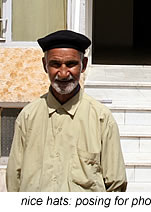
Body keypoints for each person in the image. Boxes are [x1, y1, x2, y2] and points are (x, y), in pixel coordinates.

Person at [6, 30, 127, 192]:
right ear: (44, 65)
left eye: (71, 64)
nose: (63, 74)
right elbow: (14, 179)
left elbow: (116, 183)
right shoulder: (28, 117)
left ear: (83, 65)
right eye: (55, 64)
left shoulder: (101, 118)